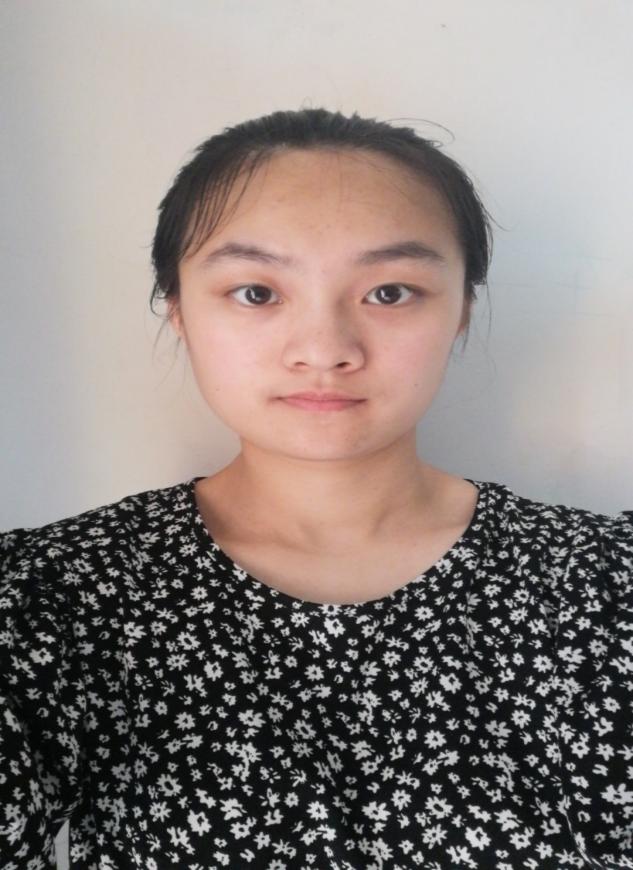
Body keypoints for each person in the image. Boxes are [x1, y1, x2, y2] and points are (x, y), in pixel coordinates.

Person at [1, 108, 631, 870]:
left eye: (389, 292)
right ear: (178, 309)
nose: (324, 349)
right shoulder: (54, 595)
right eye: (256, 293)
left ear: (462, 309)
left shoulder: (606, 584)